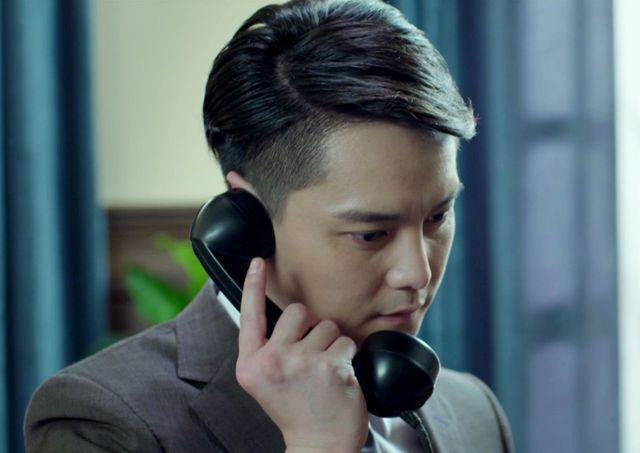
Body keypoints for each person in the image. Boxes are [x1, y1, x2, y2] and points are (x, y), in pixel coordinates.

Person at [24, 0, 514, 451]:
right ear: (248, 221)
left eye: (438, 217)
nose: (418, 273)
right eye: (371, 234)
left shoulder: (474, 413)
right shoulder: (102, 421)